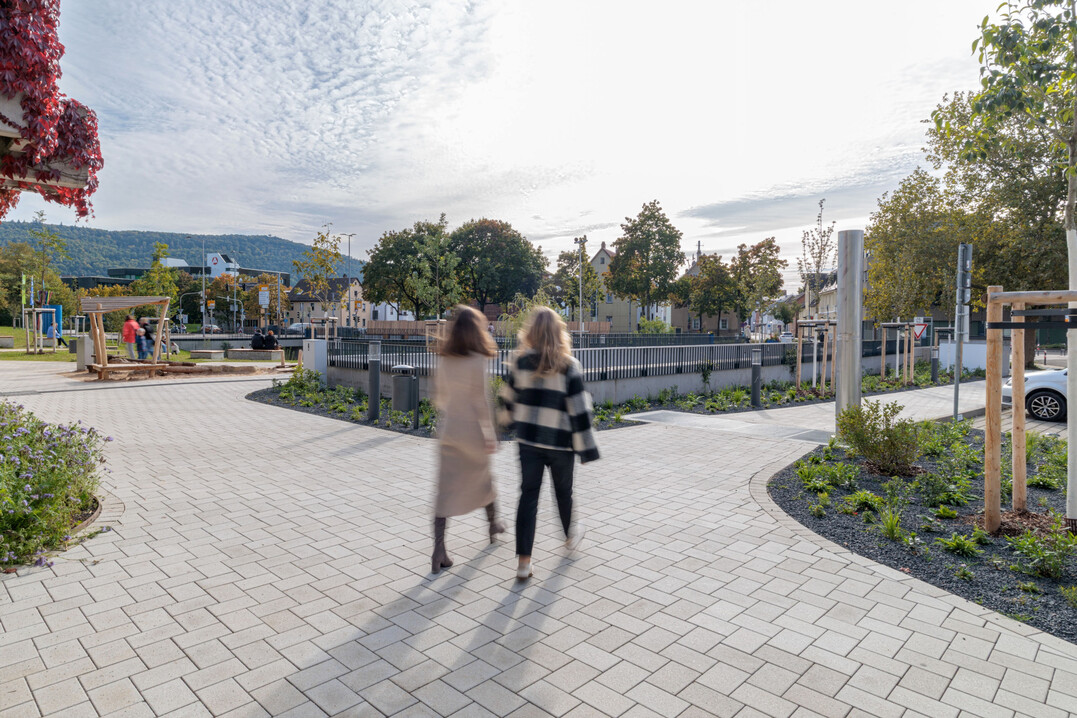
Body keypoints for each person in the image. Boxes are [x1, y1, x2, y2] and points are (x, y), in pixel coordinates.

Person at [498, 306, 599, 581]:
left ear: (530, 331)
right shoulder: (569, 366)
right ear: (558, 331)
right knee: (563, 493)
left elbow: (508, 399)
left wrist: (505, 424)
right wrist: (587, 448)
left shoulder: (519, 362)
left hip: (529, 441)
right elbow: (580, 411)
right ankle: (569, 537)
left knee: (528, 497)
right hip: (561, 444)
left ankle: (523, 562)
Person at [430, 305, 505, 574]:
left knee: (444, 491)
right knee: (484, 479)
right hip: (472, 432)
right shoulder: (477, 359)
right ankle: (493, 526)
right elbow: (480, 402)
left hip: (449, 431)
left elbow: (440, 396)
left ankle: (439, 550)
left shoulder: (445, 358)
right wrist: (490, 433)